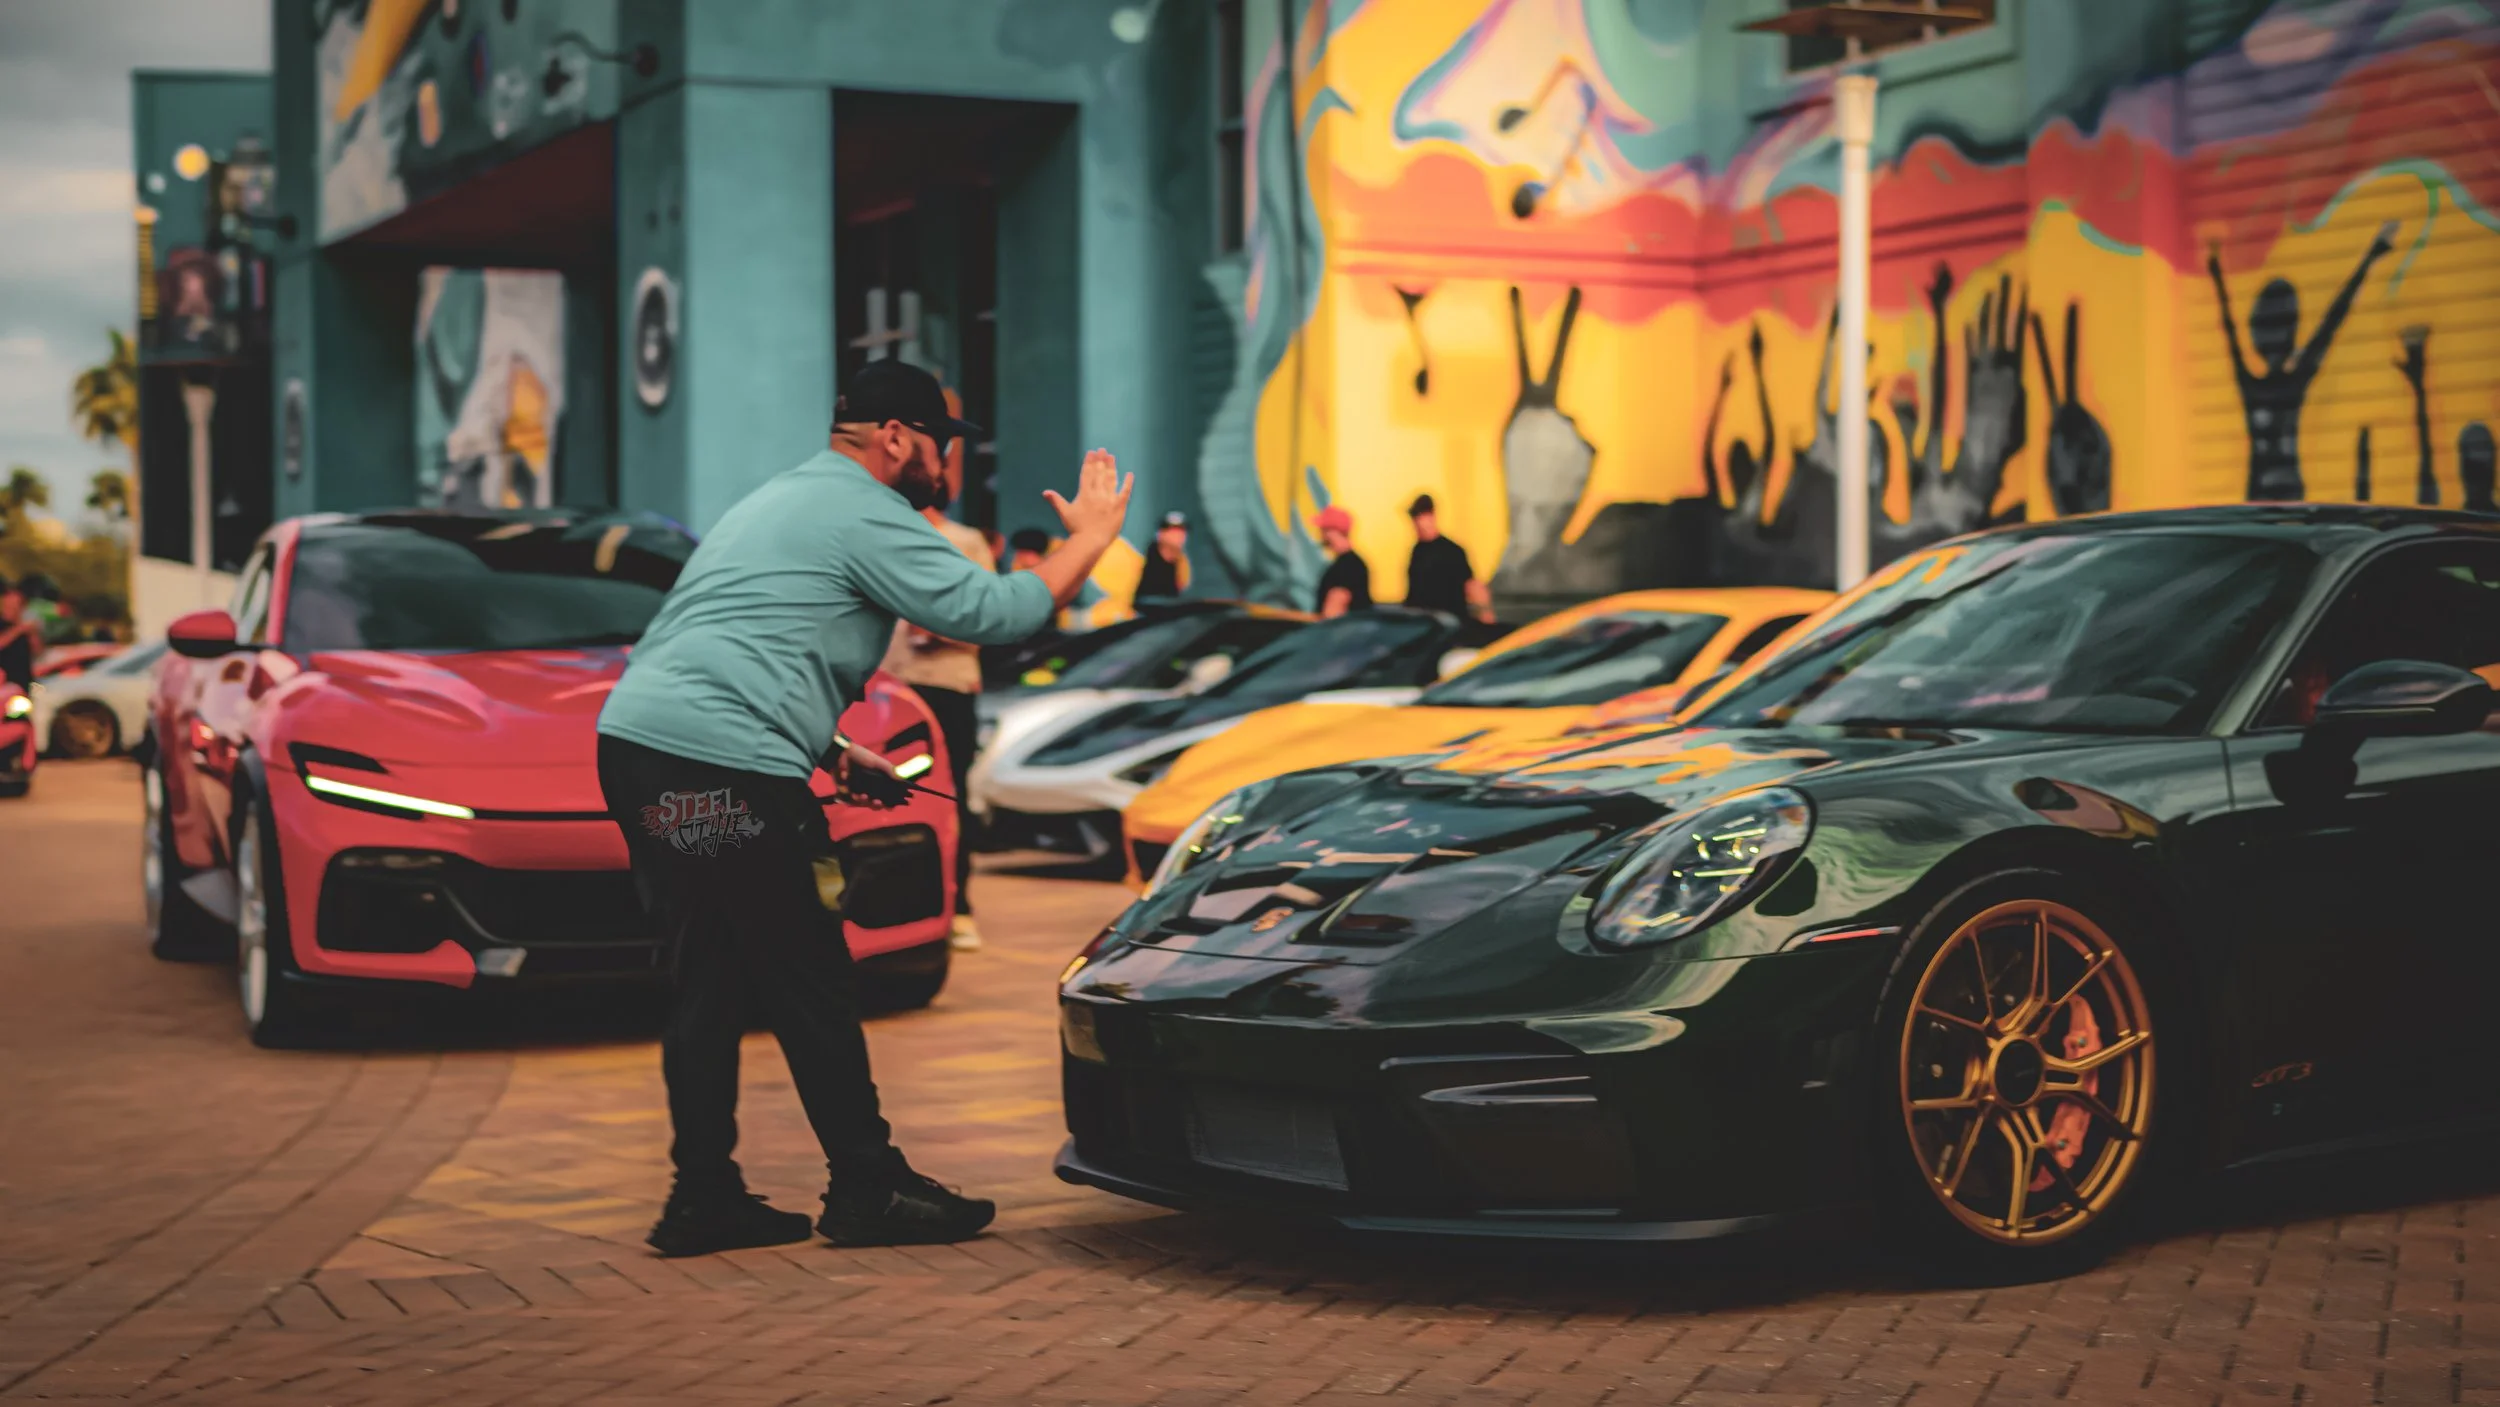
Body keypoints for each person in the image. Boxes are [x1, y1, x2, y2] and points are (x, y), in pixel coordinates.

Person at [596, 358, 1132, 1258]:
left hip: (645, 755)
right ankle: (867, 1185)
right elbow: (995, 611)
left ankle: (703, 1197)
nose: (945, 464)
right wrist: (1094, 537)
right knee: (806, 968)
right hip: (722, 765)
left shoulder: (777, 499)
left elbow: (721, 644)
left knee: (711, 972)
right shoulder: (867, 509)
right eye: (938, 444)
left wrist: (834, 749)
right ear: (894, 439)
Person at [877, 461, 993, 954]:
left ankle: (959, 906)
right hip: (890, 688)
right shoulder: (881, 538)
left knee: (949, 796)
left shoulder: (965, 541)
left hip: (946, 683)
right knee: (886, 796)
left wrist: (934, 627)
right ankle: (893, 907)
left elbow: (987, 616)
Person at [1401, 494, 1493, 625]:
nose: (1417, 523)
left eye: (1420, 517)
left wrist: (1485, 613)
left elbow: (1472, 585)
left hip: (1449, 622)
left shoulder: (1451, 551)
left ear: (1431, 516)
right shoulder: (1417, 551)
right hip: (1425, 622)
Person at [1311, 504, 1370, 618]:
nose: (1320, 534)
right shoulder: (1352, 563)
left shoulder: (1346, 566)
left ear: (1331, 531)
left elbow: (1333, 612)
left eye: (1322, 529)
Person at [1136, 510, 1191, 603]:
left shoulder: (1181, 561)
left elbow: (1181, 586)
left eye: (1182, 531)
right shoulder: (1144, 558)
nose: (1178, 536)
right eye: (1173, 531)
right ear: (1161, 534)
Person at [0, 583, 36, 687]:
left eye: (15, 606)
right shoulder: (6, 626)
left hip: (23, 681)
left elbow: (37, 652)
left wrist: (33, 634)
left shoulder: (25, 627)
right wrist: (18, 629)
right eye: (8, 606)